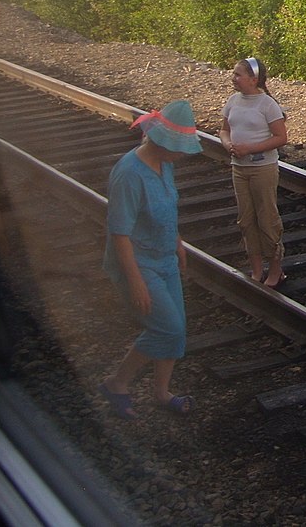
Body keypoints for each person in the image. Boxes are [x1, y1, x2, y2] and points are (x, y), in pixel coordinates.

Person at [98, 100, 203, 420]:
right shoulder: (129, 174)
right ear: (162, 142)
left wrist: (178, 242)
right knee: (167, 329)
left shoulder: (165, 164)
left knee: (177, 329)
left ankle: (161, 391)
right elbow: (120, 233)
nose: (183, 154)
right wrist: (136, 281)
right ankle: (116, 383)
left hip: (164, 257)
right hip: (139, 262)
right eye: (180, 147)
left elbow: (166, 207)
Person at [219, 57, 288, 287]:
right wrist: (228, 144)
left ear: (253, 79)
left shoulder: (267, 104)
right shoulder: (233, 101)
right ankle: (257, 269)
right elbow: (224, 130)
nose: (234, 79)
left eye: (238, 75)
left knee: (267, 218)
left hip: (262, 169)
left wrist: (250, 148)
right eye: (234, 74)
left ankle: (276, 270)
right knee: (246, 219)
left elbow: (281, 138)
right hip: (239, 168)